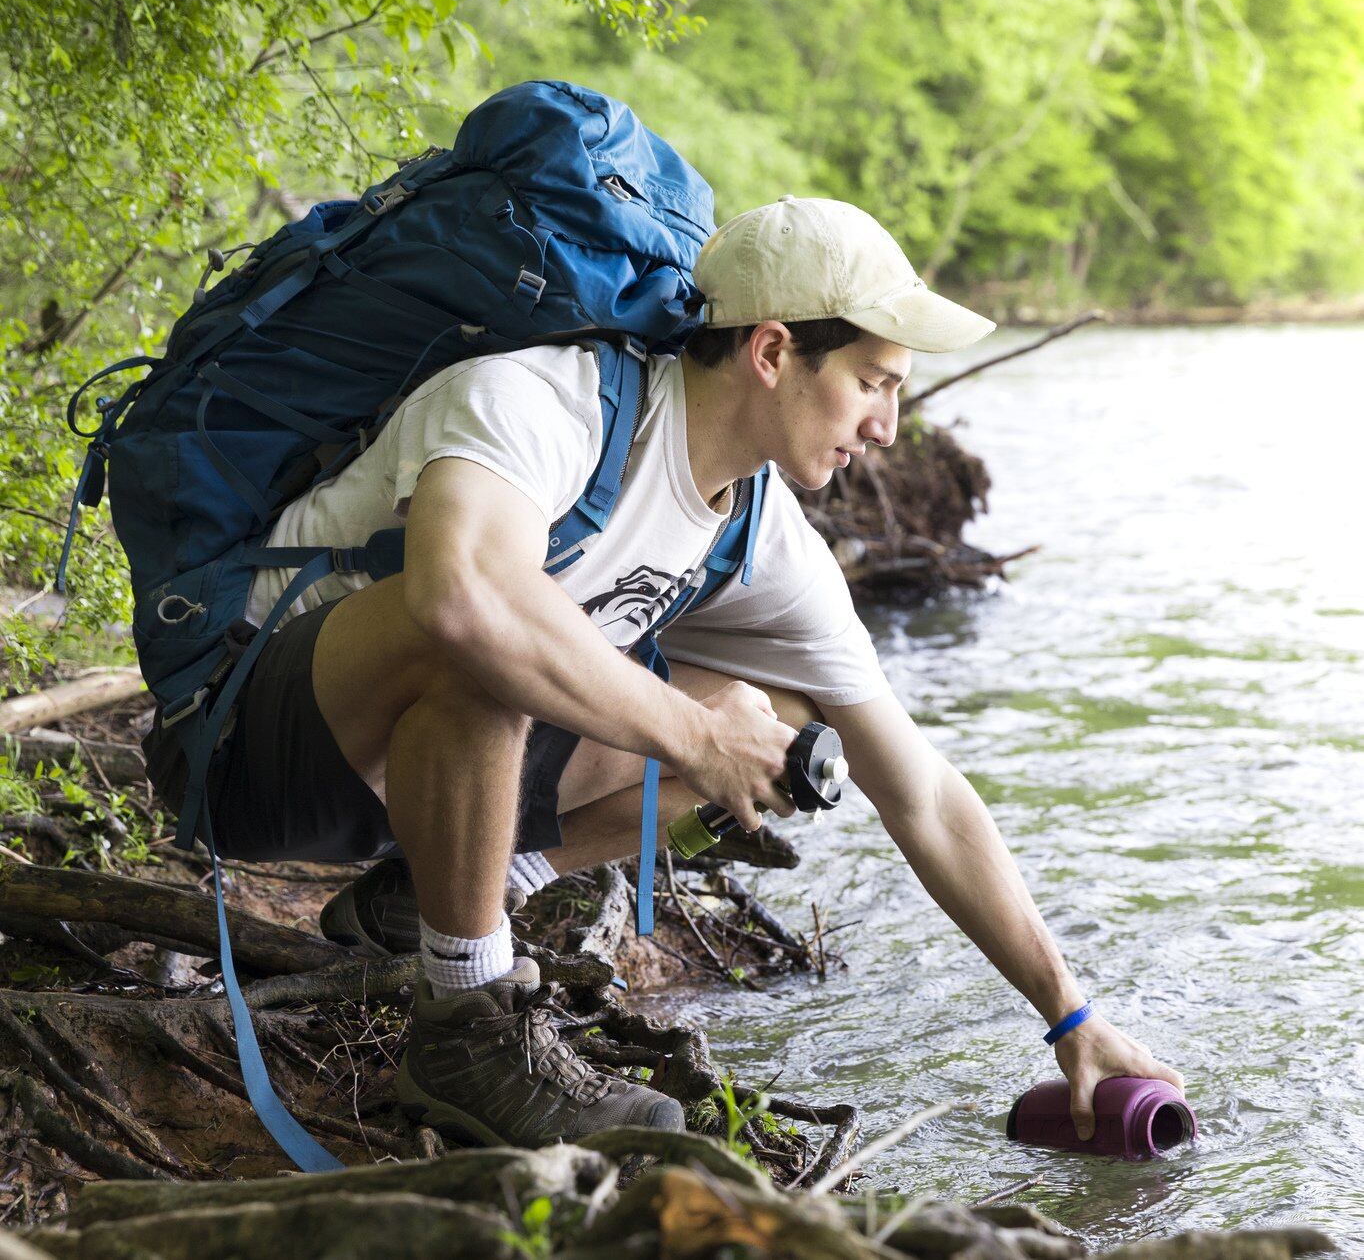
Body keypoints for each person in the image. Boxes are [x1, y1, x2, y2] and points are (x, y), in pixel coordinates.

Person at [203, 195, 1183, 1147]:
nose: (888, 425)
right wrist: (697, 734)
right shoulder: (543, 400)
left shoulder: (758, 527)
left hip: (419, 762)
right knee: (503, 619)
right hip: (253, 743)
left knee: (794, 719)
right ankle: (467, 1025)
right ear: (769, 351)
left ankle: (449, 891)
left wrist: (1068, 1015)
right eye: (873, 381)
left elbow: (917, 789)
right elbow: (463, 598)